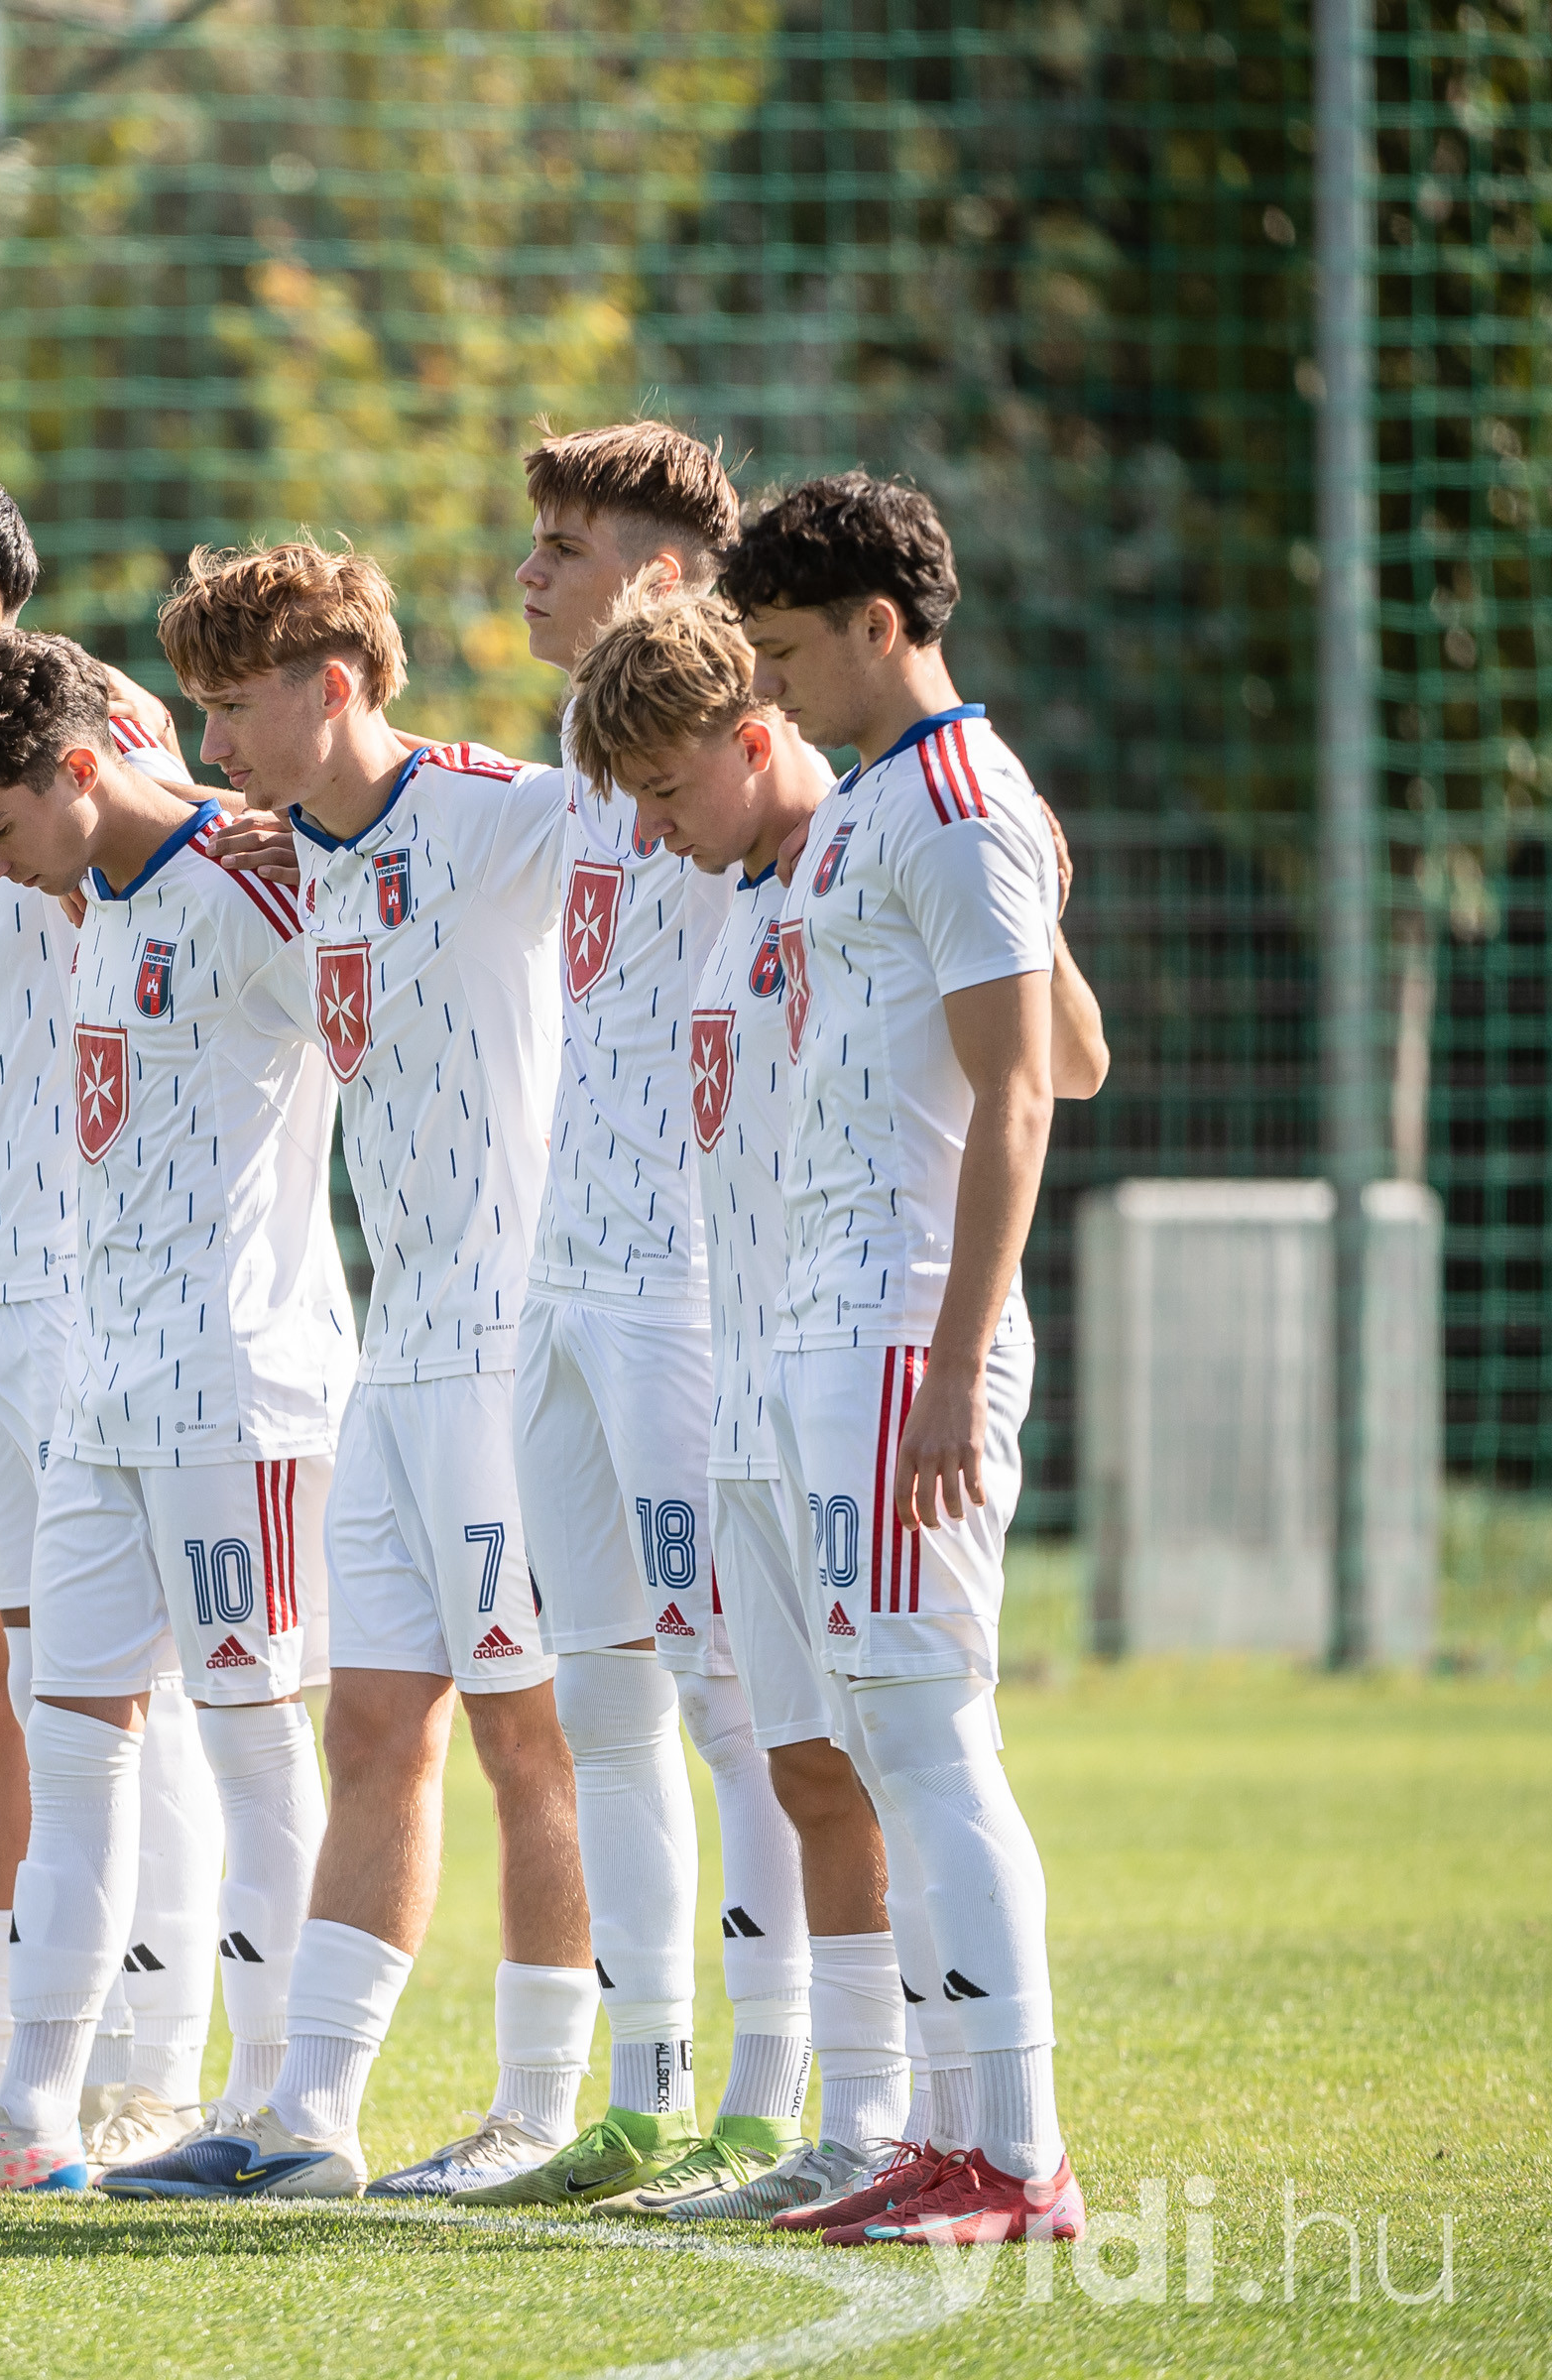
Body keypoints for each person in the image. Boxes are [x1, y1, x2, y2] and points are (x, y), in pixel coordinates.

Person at [109, 542, 597, 2201]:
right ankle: (308, 2117)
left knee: (535, 1735)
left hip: (517, 1350)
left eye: (233, 708)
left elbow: (716, 817)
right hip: (398, 1351)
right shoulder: (289, 851)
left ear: (333, 687)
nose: (211, 744)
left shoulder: (503, 813)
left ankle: (542, 2107)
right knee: (375, 1728)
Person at [0, 629, 352, 2195]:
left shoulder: (260, 887)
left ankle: (284, 2111)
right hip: (102, 1391)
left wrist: (325, 842)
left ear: (79, 770)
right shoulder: (94, 902)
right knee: (67, 1749)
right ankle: (32, 2113)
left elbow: (394, 1031)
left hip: (238, 1393)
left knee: (254, 1742)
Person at [719, 472, 1101, 2247]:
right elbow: (1071, 1047)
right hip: (832, 1327)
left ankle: (1016, 2155)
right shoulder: (889, 799)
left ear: (883, 624)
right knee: (887, 1735)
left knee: (929, 1735)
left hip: (899, 1332)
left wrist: (952, 1363)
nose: (771, 686)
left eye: (791, 649)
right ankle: (951, 2138)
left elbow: (1028, 1096)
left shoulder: (953, 803)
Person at [490, 421, 816, 2210]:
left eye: (566, 544)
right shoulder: (582, 747)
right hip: (559, 1278)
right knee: (598, 1697)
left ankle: (768, 2096)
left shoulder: (749, 748)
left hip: (684, 1296)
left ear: (669, 575)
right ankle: (647, 2090)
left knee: (729, 1696)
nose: (529, 572)